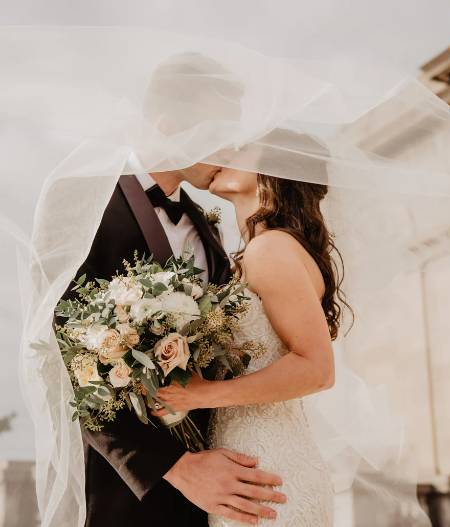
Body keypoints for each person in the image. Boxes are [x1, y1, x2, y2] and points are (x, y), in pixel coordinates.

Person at [59, 53, 286, 527]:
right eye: (217, 135)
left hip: (221, 489)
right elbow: (62, 356)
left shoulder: (209, 231)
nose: (228, 151)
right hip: (128, 493)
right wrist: (175, 469)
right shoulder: (80, 201)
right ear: (166, 125)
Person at [153, 131, 344, 526]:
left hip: (267, 466)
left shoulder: (271, 249)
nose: (222, 151)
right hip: (247, 461)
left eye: (240, 148)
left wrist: (202, 396)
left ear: (275, 169)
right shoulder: (256, 252)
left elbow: (317, 368)